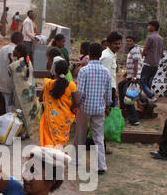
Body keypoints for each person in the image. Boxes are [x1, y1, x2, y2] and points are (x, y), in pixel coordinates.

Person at [74, 43, 112, 175]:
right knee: (98, 137)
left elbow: (80, 91)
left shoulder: (83, 71)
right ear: (101, 55)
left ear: (89, 54)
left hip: (85, 107)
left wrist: (79, 104)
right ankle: (101, 166)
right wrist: (108, 105)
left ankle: (76, 160)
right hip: (99, 108)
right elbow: (108, 92)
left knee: (80, 134)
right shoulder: (106, 72)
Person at [40, 59, 78, 149]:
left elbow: (40, 98)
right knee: (60, 143)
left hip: (50, 118)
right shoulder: (71, 85)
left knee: (49, 142)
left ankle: (48, 159)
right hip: (64, 118)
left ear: (55, 71)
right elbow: (77, 101)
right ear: (67, 71)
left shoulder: (48, 84)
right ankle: (57, 158)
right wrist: (71, 109)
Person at [8, 44, 38, 139]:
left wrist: (10, 60)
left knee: (20, 113)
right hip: (30, 94)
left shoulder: (18, 63)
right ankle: (27, 132)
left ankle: (22, 133)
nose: (14, 52)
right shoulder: (28, 61)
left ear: (19, 52)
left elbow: (10, 71)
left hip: (21, 94)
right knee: (27, 114)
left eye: (15, 50)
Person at [0, 32, 24, 113]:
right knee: (9, 106)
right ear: (19, 41)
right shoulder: (16, 51)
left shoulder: (3, 48)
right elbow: (15, 69)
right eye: (22, 41)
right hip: (9, 83)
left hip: (0, 81)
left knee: (5, 103)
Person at [118, 36, 141, 126]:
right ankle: (124, 110)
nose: (128, 43)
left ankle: (134, 119)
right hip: (130, 76)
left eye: (130, 41)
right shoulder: (131, 51)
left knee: (129, 98)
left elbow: (136, 63)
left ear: (134, 42)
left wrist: (134, 76)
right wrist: (126, 73)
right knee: (121, 87)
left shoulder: (134, 50)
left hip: (133, 78)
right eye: (127, 41)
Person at [141, 20, 164, 100]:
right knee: (149, 82)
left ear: (153, 27)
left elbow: (145, 49)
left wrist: (142, 54)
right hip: (156, 64)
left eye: (149, 25)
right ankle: (147, 98)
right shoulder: (161, 39)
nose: (148, 27)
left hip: (148, 63)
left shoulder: (150, 37)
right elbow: (161, 52)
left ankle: (151, 96)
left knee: (142, 81)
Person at [100, 31, 122, 107]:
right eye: (115, 44)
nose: (118, 46)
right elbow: (105, 78)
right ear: (108, 44)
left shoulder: (113, 54)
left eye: (119, 44)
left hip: (111, 89)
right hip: (107, 90)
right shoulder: (107, 57)